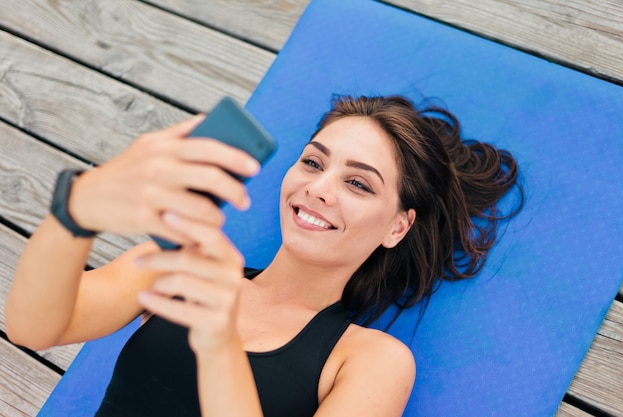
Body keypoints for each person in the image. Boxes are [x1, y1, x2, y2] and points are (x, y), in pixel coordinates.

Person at [5, 95, 523, 417]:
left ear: (397, 225)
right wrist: (74, 212)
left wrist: (218, 345)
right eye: (312, 162)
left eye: (358, 184)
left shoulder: (370, 361)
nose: (319, 188)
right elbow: (30, 330)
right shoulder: (179, 269)